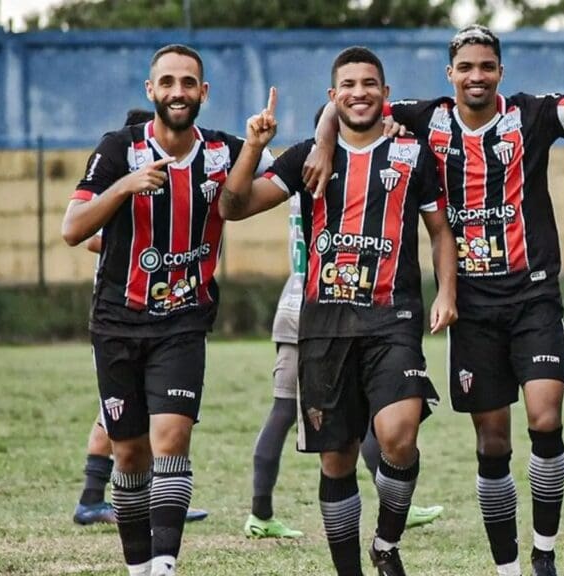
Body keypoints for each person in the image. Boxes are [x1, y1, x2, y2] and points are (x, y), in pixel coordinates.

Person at [305, 5, 564, 576]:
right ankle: (505, 567)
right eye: (466, 68)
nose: (476, 76)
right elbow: (347, 103)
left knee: (545, 415)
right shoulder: (426, 120)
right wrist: (324, 143)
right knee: (493, 440)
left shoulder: (531, 115)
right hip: (473, 306)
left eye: (486, 67)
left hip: (532, 294)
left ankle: (545, 554)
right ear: (450, 74)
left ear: (500, 72)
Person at [220, 46, 458, 576]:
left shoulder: (412, 155)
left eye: (369, 83)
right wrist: (254, 147)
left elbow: (440, 231)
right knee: (338, 459)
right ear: (333, 97)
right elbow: (233, 208)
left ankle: (388, 544)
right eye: (347, 84)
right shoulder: (305, 157)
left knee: (399, 434)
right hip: (324, 327)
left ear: (385, 94)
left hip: (393, 318)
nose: (359, 92)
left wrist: (447, 292)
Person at [61, 46, 273, 576]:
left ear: (203, 93)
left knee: (171, 439)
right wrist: (126, 187)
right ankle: (138, 567)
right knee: (130, 456)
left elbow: (276, 183)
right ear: (150, 90)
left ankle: (164, 566)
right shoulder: (118, 149)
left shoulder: (225, 152)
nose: (178, 91)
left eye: (189, 83)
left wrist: (275, 145)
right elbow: (72, 229)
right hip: (116, 321)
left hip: (182, 321)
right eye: (168, 82)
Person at [244, 190, 443, 539]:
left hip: (293, 302)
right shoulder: (337, 180)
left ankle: (260, 513)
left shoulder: (301, 179)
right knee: (366, 417)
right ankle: (397, 501)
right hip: (327, 309)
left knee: (282, 411)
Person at [73, 109, 207, 528]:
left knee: (128, 417)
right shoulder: (121, 178)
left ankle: (109, 497)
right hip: (121, 317)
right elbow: (85, 233)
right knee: (118, 417)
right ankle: (98, 498)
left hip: (166, 319)